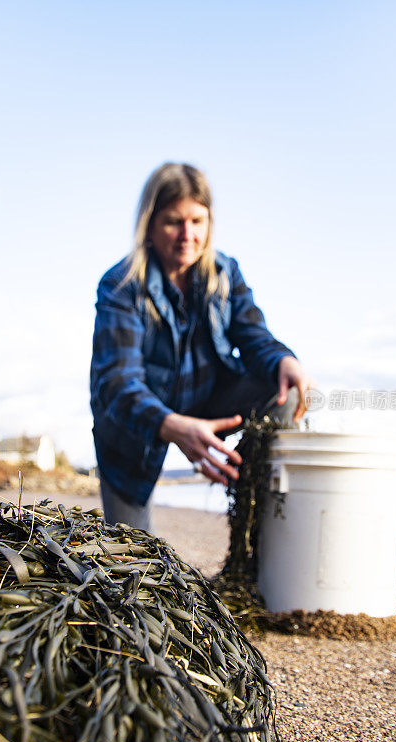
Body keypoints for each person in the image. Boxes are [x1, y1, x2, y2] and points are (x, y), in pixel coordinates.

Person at [90, 163, 312, 531]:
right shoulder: (120, 285)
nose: (187, 235)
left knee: (284, 391)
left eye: (197, 221)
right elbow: (116, 383)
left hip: (209, 401)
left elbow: (254, 336)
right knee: (131, 552)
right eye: (173, 221)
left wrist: (284, 359)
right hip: (133, 427)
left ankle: (246, 490)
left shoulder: (225, 273)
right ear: (149, 224)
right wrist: (172, 426)